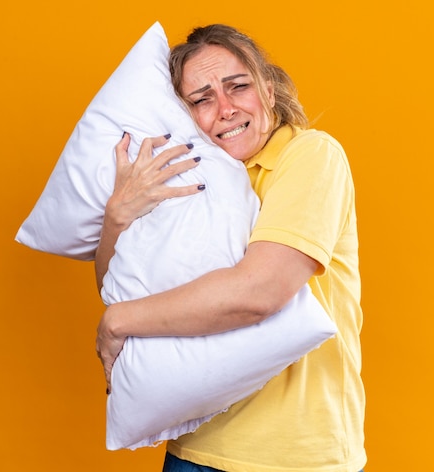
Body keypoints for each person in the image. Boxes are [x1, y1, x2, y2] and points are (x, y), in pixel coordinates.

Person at [95, 24, 366, 472]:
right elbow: (118, 287)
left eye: (237, 87)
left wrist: (116, 322)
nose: (224, 109)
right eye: (201, 99)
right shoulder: (189, 179)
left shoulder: (310, 155)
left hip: (295, 456)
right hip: (194, 447)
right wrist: (118, 215)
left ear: (269, 92)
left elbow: (259, 292)